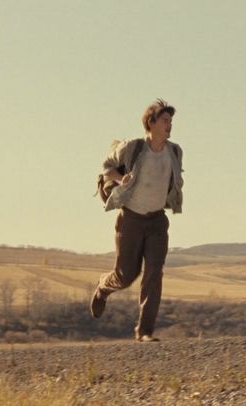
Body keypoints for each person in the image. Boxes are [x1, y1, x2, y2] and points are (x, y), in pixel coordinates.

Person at [90, 99, 184, 343]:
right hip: (131, 219)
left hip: (157, 221)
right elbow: (106, 168)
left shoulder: (175, 152)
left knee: (154, 273)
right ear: (151, 123)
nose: (169, 125)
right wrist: (122, 179)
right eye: (165, 120)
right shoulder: (133, 148)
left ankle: (144, 332)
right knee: (126, 275)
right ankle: (103, 287)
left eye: (171, 121)